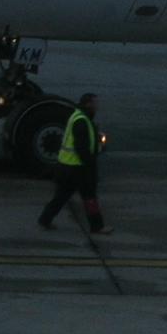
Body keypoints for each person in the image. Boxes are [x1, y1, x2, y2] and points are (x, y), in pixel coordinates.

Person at [38, 93, 111, 234]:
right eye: (95, 103)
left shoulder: (77, 117)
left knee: (61, 196)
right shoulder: (82, 121)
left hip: (67, 167)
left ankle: (44, 219)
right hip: (78, 168)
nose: (97, 106)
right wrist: (90, 166)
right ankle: (97, 226)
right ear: (88, 104)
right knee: (89, 197)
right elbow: (82, 148)